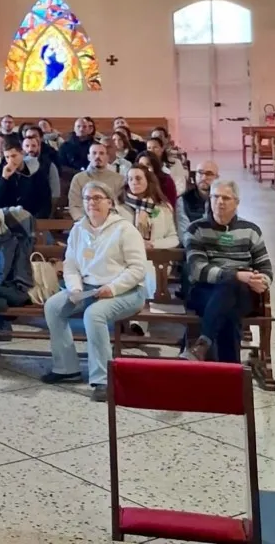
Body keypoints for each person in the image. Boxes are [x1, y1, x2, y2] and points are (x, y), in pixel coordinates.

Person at [40, 181, 147, 402]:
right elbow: (70, 264)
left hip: (126, 291)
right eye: (88, 198)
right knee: (53, 306)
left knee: (94, 314)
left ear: (110, 202)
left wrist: (112, 288)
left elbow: (138, 270)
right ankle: (67, 368)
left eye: (97, 198)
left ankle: (103, 380)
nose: (92, 203)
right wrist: (75, 289)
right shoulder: (79, 229)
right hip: (88, 288)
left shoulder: (125, 229)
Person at [184, 179, 272, 363]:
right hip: (205, 291)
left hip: (243, 293)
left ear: (237, 202)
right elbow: (198, 269)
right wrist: (236, 276)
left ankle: (203, 344)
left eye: (226, 198)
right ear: (210, 199)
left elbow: (265, 269)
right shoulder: (196, 229)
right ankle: (232, 374)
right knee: (230, 310)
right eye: (216, 197)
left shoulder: (251, 230)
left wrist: (261, 281)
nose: (220, 202)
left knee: (233, 292)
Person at [119, 165, 179, 336]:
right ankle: (137, 321)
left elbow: (174, 238)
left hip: (156, 259)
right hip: (126, 258)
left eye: (138, 178)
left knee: (146, 272)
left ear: (148, 181)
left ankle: (137, 321)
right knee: (136, 272)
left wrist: (153, 244)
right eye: (130, 179)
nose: (134, 182)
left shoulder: (163, 208)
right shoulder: (119, 208)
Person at [176, 160, 219, 245]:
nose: (203, 178)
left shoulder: (223, 199)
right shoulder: (183, 201)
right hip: (194, 248)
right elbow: (184, 234)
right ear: (195, 176)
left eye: (209, 174)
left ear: (217, 177)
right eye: (200, 173)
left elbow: (229, 230)